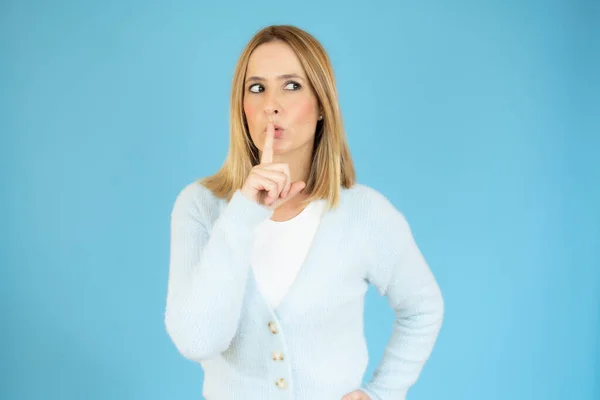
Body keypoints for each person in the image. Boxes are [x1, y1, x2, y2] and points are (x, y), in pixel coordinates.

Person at [164, 24, 444, 400]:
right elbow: (197, 341)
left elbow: (422, 308)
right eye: (257, 87)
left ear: (321, 107)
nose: (271, 104)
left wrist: (382, 393)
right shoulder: (201, 205)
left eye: (291, 85)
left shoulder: (364, 212)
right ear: (242, 107)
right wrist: (243, 212)